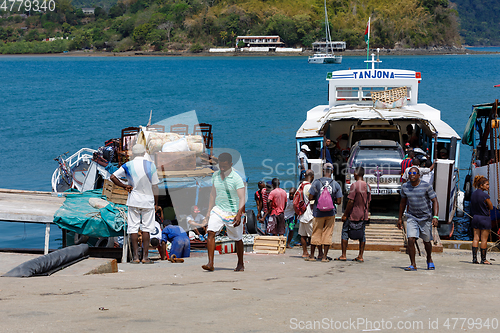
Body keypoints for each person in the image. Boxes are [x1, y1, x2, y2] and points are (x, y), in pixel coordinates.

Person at [110, 144, 160, 264]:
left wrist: (125, 185)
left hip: (133, 200)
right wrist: (156, 203)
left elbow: (113, 176)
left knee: (133, 228)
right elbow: (155, 186)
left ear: (133, 153)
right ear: (144, 153)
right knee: (147, 229)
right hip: (148, 201)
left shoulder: (128, 165)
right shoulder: (151, 165)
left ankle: (135, 257)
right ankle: (145, 257)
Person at [202, 153, 246, 272]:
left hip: (233, 212)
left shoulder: (236, 178)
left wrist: (239, 214)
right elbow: (212, 194)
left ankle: (240, 263)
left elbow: (242, 198)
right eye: (220, 166)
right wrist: (208, 211)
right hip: (218, 210)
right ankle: (210, 263)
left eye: (225, 167)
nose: (222, 169)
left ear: (231, 165)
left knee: (237, 239)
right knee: (211, 232)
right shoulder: (215, 175)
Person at [398, 166, 439, 271]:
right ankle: (413, 264)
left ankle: (429, 259)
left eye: (414, 173)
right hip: (412, 216)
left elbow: (435, 201)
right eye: (410, 173)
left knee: (426, 241)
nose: (412, 175)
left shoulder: (426, 186)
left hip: (425, 217)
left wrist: (435, 216)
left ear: (419, 175)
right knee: (410, 239)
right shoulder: (405, 187)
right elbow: (402, 203)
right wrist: (399, 218)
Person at [307, 163, 342, 262]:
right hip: (330, 213)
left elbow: (310, 197)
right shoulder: (336, 184)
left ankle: (312, 256)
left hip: (318, 212)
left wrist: (319, 199)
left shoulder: (316, 182)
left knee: (316, 233)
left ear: (323, 170)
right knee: (328, 233)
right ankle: (324, 257)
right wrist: (331, 200)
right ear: (332, 171)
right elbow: (339, 202)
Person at [339, 167, 371, 262]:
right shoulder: (368, 186)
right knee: (362, 235)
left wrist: (345, 215)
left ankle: (343, 255)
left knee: (345, 233)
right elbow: (368, 202)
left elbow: (350, 201)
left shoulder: (354, 185)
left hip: (353, 214)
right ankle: (360, 255)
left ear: (356, 174)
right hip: (363, 215)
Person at [470, 175, 494, 264]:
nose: (488, 186)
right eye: (486, 185)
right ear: (481, 185)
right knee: (484, 240)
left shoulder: (473, 194)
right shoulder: (485, 195)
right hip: (484, 218)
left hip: (475, 217)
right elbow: (491, 207)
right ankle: (483, 259)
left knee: (475, 238)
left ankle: (474, 259)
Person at [298, 170, 314, 258]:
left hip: (301, 214)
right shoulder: (309, 186)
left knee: (303, 235)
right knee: (312, 236)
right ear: (312, 176)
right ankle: (312, 253)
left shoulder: (300, 185)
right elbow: (312, 200)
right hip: (309, 214)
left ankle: (304, 252)